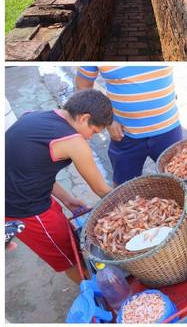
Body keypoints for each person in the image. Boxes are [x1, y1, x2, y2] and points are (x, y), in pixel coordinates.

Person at [5, 89, 116, 284]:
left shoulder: (33, 116)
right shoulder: (73, 141)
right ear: (84, 118)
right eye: (94, 131)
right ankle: (96, 292)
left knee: (69, 241)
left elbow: (33, 170)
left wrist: (66, 198)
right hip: (25, 210)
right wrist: (133, 200)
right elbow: (100, 189)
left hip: (28, 194)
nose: (91, 138)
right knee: (69, 258)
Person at [75, 66, 184, 185]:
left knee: (181, 180)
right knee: (124, 189)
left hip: (168, 130)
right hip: (124, 135)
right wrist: (108, 121)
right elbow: (83, 86)